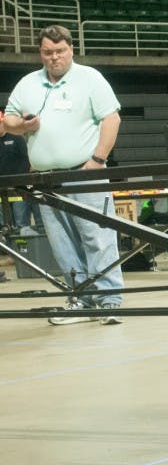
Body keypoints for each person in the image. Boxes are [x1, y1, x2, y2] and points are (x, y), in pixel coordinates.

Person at [2, 24, 124, 325]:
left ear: (71, 49)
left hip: (85, 174)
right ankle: (80, 300)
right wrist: (22, 127)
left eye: (59, 51)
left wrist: (98, 160)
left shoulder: (90, 78)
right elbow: (9, 121)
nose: (53, 57)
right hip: (46, 178)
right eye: (47, 52)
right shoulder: (28, 83)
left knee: (97, 237)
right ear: (40, 53)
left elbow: (112, 118)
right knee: (63, 243)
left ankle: (109, 301)